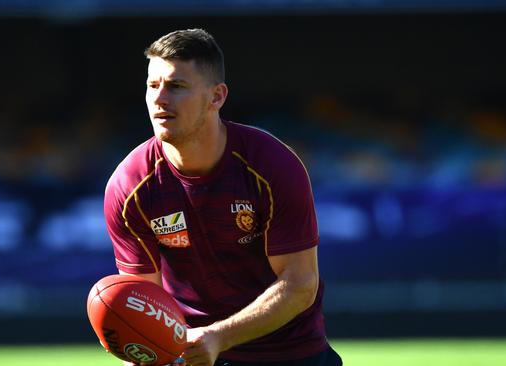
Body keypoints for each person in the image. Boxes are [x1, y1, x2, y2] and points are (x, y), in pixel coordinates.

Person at [104, 28, 342, 366]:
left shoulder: (272, 165)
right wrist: (140, 348)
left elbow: (301, 283)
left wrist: (218, 336)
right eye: (152, 86)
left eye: (176, 86)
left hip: (291, 355)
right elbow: (142, 300)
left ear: (216, 97)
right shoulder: (129, 186)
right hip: (195, 356)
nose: (160, 99)